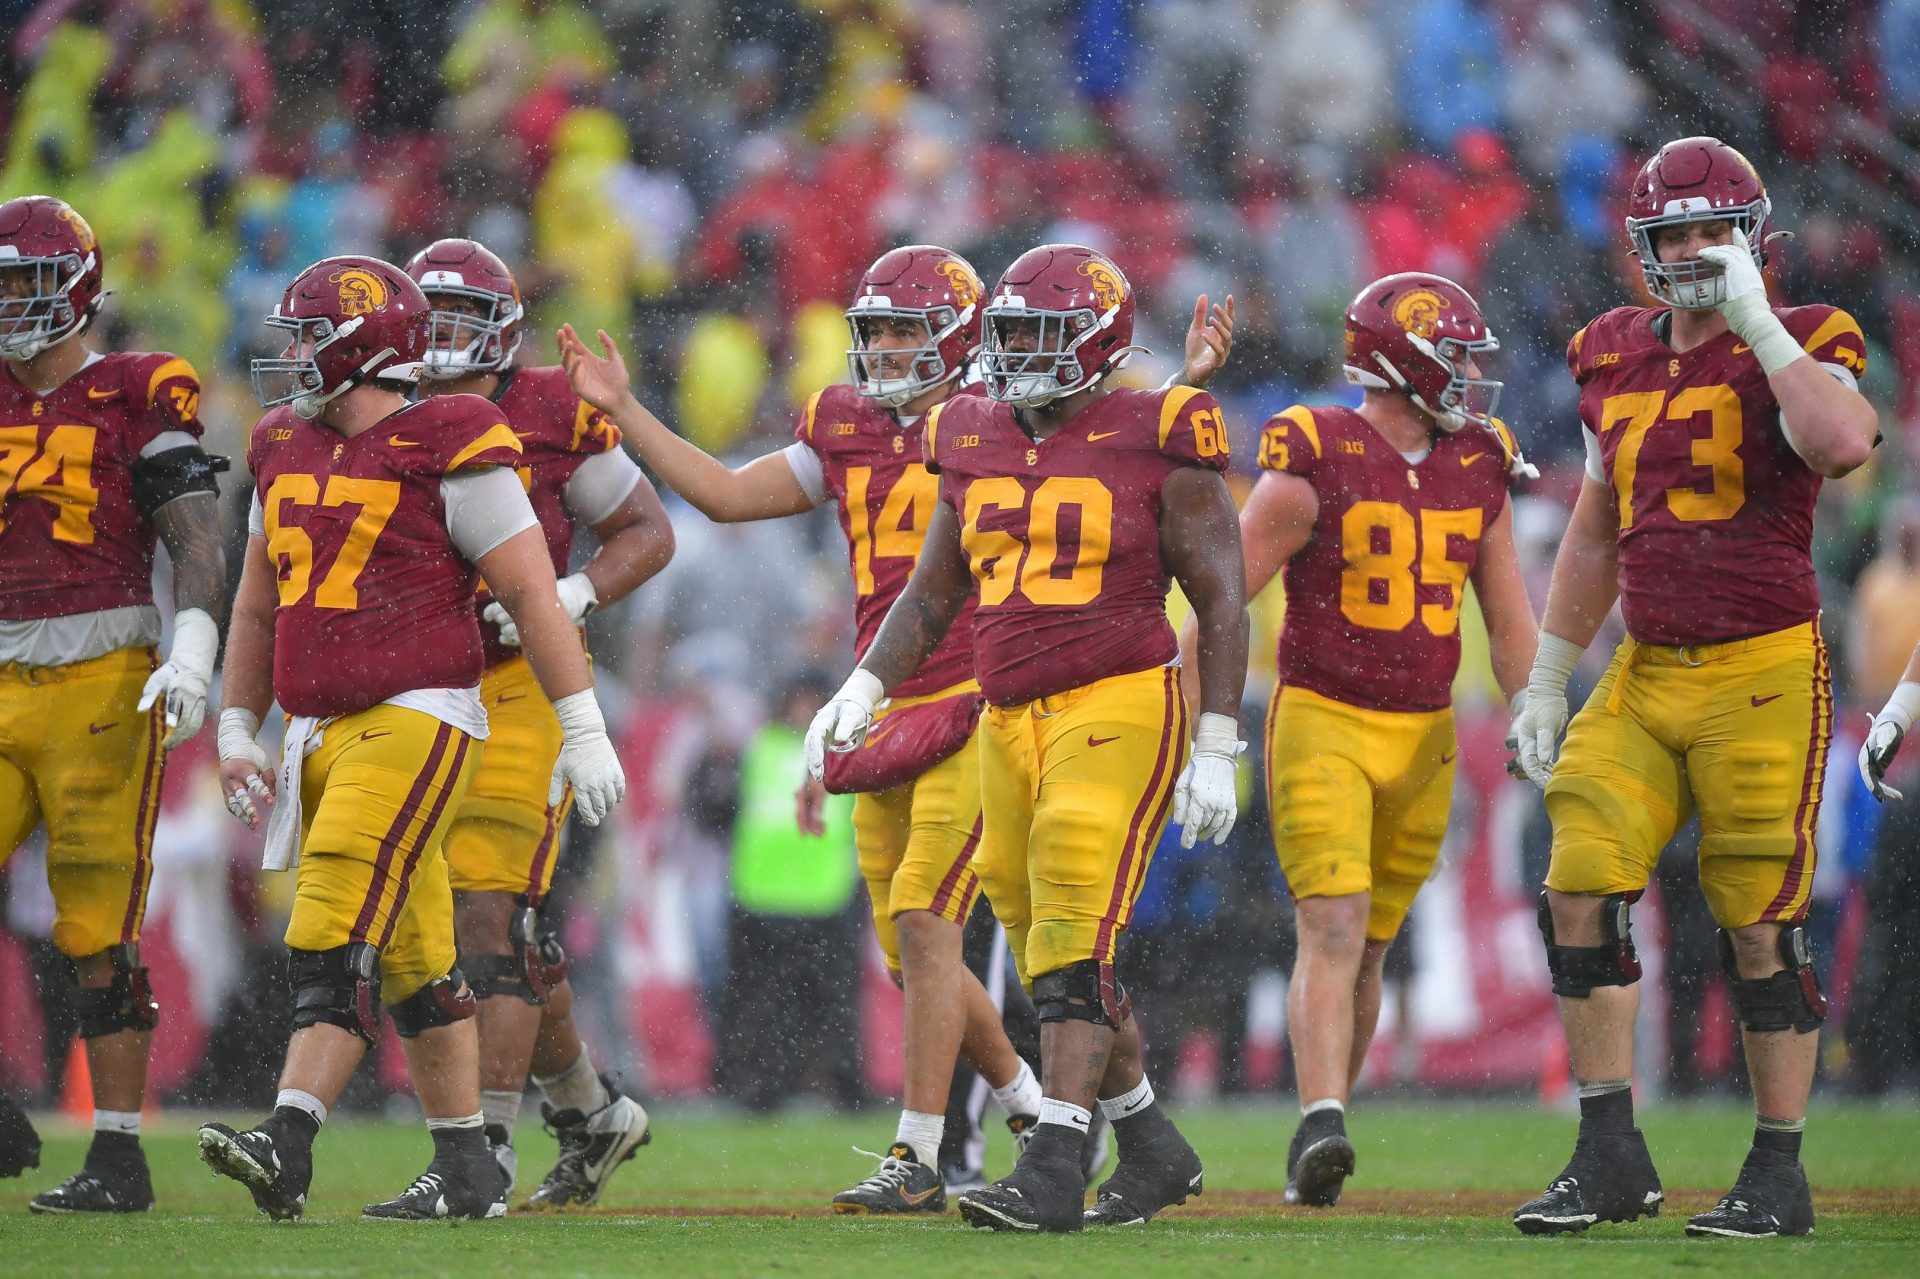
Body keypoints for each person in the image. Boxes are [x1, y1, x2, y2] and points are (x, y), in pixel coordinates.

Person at [555, 242, 1231, 1213]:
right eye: (871, 332)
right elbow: (732, 498)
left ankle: (951, 1148)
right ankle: (1049, 1105)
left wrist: (1175, 388)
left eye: (905, 330)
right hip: (902, 697)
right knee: (929, 947)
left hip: (994, 695)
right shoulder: (889, 427)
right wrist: (624, 412)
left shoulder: (1022, 420)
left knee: (949, 924)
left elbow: (1125, 463)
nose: (883, 350)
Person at [806, 244, 1248, 1232]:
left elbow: (1221, 598)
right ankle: (1149, 1139)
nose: (1026, 358)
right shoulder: (967, 429)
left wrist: (1217, 738)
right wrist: (864, 684)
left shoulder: (1164, 429)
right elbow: (933, 590)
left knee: (1072, 910)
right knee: (1051, 943)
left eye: (1049, 336)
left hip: (1120, 698)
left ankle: (1052, 1160)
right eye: (1012, 337)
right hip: (1004, 716)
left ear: (1100, 343)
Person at [196, 255, 627, 1222]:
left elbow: (529, 594)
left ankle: (288, 1135)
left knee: (337, 899)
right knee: (416, 954)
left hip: (420, 710)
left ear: (361, 345)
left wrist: (582, 727)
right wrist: (237, 724)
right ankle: (467, 1162)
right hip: (318, 725)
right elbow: (257, 605)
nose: (291, 356)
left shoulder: (455, 434)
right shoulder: (279, 441)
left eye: (309, 336)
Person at [1511, 137, 1878, 1239]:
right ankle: (1610, 1148)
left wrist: (1760, 324)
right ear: (1642, 246)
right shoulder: (1610, 353)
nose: (1693, 251)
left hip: (1763, 662)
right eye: (1674, 233)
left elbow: (1844, 442)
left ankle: (1778, 1168)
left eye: (1713, 230)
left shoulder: (1809, 334)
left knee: (1761, 918)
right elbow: (1593, 527)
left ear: (1752, 236)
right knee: (1577, 875)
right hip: (1646, 665)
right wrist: (1543, 676)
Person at [1215, 272, 1537, 1206]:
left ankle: (1323, 1127)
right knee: (1334, 921)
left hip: (1428, 728)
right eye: (1455, 357)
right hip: (1321, 713)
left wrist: (1539, 707)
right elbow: (1226, 589)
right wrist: (1181, 698)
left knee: (1371, 948)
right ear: (1402, 362)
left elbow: (1508, 610)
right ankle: (1322, 1117)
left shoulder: (1477, 461)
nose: (1472, 377)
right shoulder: (1314, 450)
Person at [405, 238, 673, 1207]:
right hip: (412, 684)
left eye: (460, 319)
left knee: (488, 913)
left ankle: (485, 1149)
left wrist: (571, 590)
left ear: (504, 331)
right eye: (425, 315)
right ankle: (591, 1109)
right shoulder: (378, 408)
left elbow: (648, 530)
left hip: (522, 683)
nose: (439, 339)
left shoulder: (549, 412)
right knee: (451, 926)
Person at [0, 194, 229, 1213]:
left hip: (102, 675)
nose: (12, 303)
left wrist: (191, 644)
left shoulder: (137, 388)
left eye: (28, 282)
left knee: (95, 926)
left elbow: (195, 536)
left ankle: (121, 1155)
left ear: (79, 288)